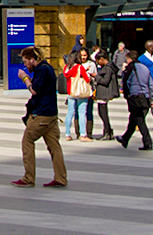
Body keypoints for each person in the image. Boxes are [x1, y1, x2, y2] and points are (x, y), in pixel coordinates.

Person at [12, 47, 66, 188]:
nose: (25, 65)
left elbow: (35, 90)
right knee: (54, 147)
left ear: (32, 59)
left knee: (27, 142)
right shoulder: (48, 68)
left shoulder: (42, 70)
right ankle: (61, 178)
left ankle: (29, 177)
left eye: (26, 61)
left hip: (42, 115)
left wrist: (25, 78)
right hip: (52, 114)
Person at [118, 49, 153, 150]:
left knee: (139, 120)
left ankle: (148, 142)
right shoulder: (145, 68)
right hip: (145, 97)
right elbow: (151, 84)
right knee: (133, 119)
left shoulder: (131, 67)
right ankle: (125, 138)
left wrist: (126, 95)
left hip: (135, 97)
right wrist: (152, 97)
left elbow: (126, 82)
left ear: (129, 59)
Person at [62, 50, 93, 141]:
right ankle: (82, 134)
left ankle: (67, 134)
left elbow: (68, 76)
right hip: (80, 93)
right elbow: (87, 79)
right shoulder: (79, 67)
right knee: (82, 113)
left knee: (70, 113)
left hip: (71, 92)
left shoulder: (66, 68)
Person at [93, 50, 118, 140]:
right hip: (103, 93)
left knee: (103, 113)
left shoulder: (108, 68)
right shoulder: (108, 67)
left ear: (102, 59)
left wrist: (96, 76)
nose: (98, 63)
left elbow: (105, 81)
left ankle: (108, 131)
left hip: (104, 93)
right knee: (102, 113)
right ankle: (107, 131)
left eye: (98, 61)